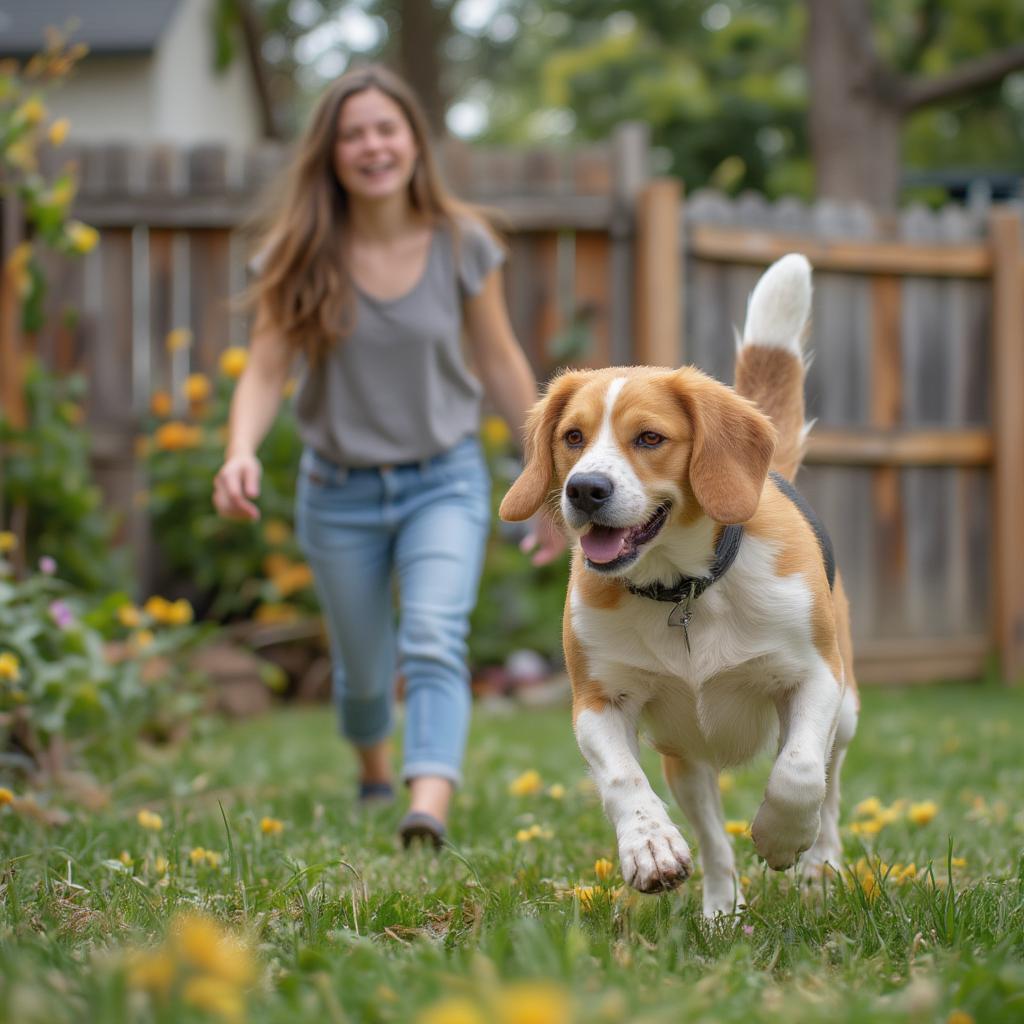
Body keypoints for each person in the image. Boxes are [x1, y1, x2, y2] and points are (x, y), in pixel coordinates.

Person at [212, 64, 564, 847]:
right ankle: (375, 771)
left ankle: (426, 805)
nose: (372, 145)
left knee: (435, 637)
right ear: (330, 153)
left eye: (386, 128)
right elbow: (266, 368)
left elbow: (503, 363)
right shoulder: (299, 252)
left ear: (413, 141)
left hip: (444, 478)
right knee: (364, 672)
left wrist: (546, 481)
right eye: (353, 133)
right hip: (336, 492)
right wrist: (239, 450)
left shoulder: (462, 245)